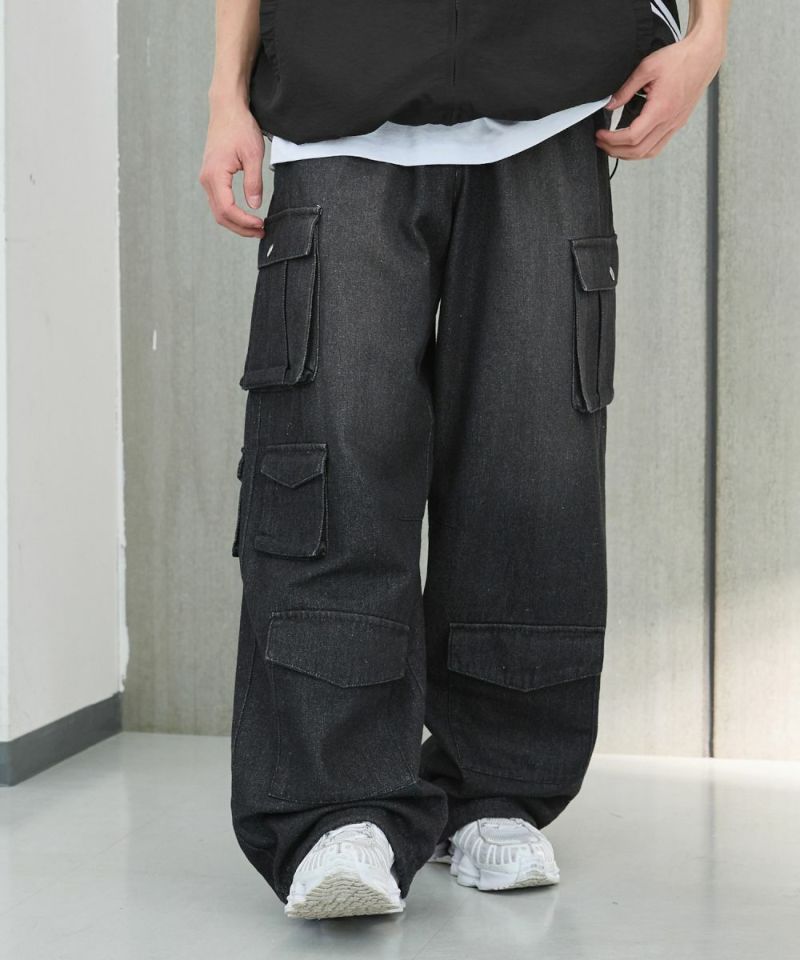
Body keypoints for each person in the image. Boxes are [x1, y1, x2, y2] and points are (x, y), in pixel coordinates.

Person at [200, 0, 730, 921]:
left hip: (554, 84)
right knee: (329, 454)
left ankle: (497, 788)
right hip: (338, 84)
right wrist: (224, 96)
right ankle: (336, 806)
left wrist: (709, 36)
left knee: (533, 457)